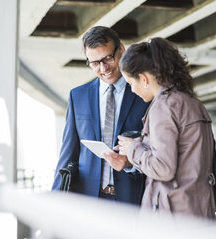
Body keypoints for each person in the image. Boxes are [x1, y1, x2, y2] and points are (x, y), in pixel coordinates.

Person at [106, 37, 216, 219]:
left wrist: (132, 148)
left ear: (144, 78)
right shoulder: (192, 102)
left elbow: (163, 168)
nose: (132, 90)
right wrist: (144, 144)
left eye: (131, 83)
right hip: (198, 212)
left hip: (172, 218)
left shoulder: (163, 106)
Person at [51, 26, 149, 203]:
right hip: (88, 201)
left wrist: (131, 163)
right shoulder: (77, 96)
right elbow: (68, 153)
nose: (103, 68)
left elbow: (158, 152)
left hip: (132, 201)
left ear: (121, 50)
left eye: (108, 58)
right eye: (95, 63)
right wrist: (54, 201)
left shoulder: (144, 94)